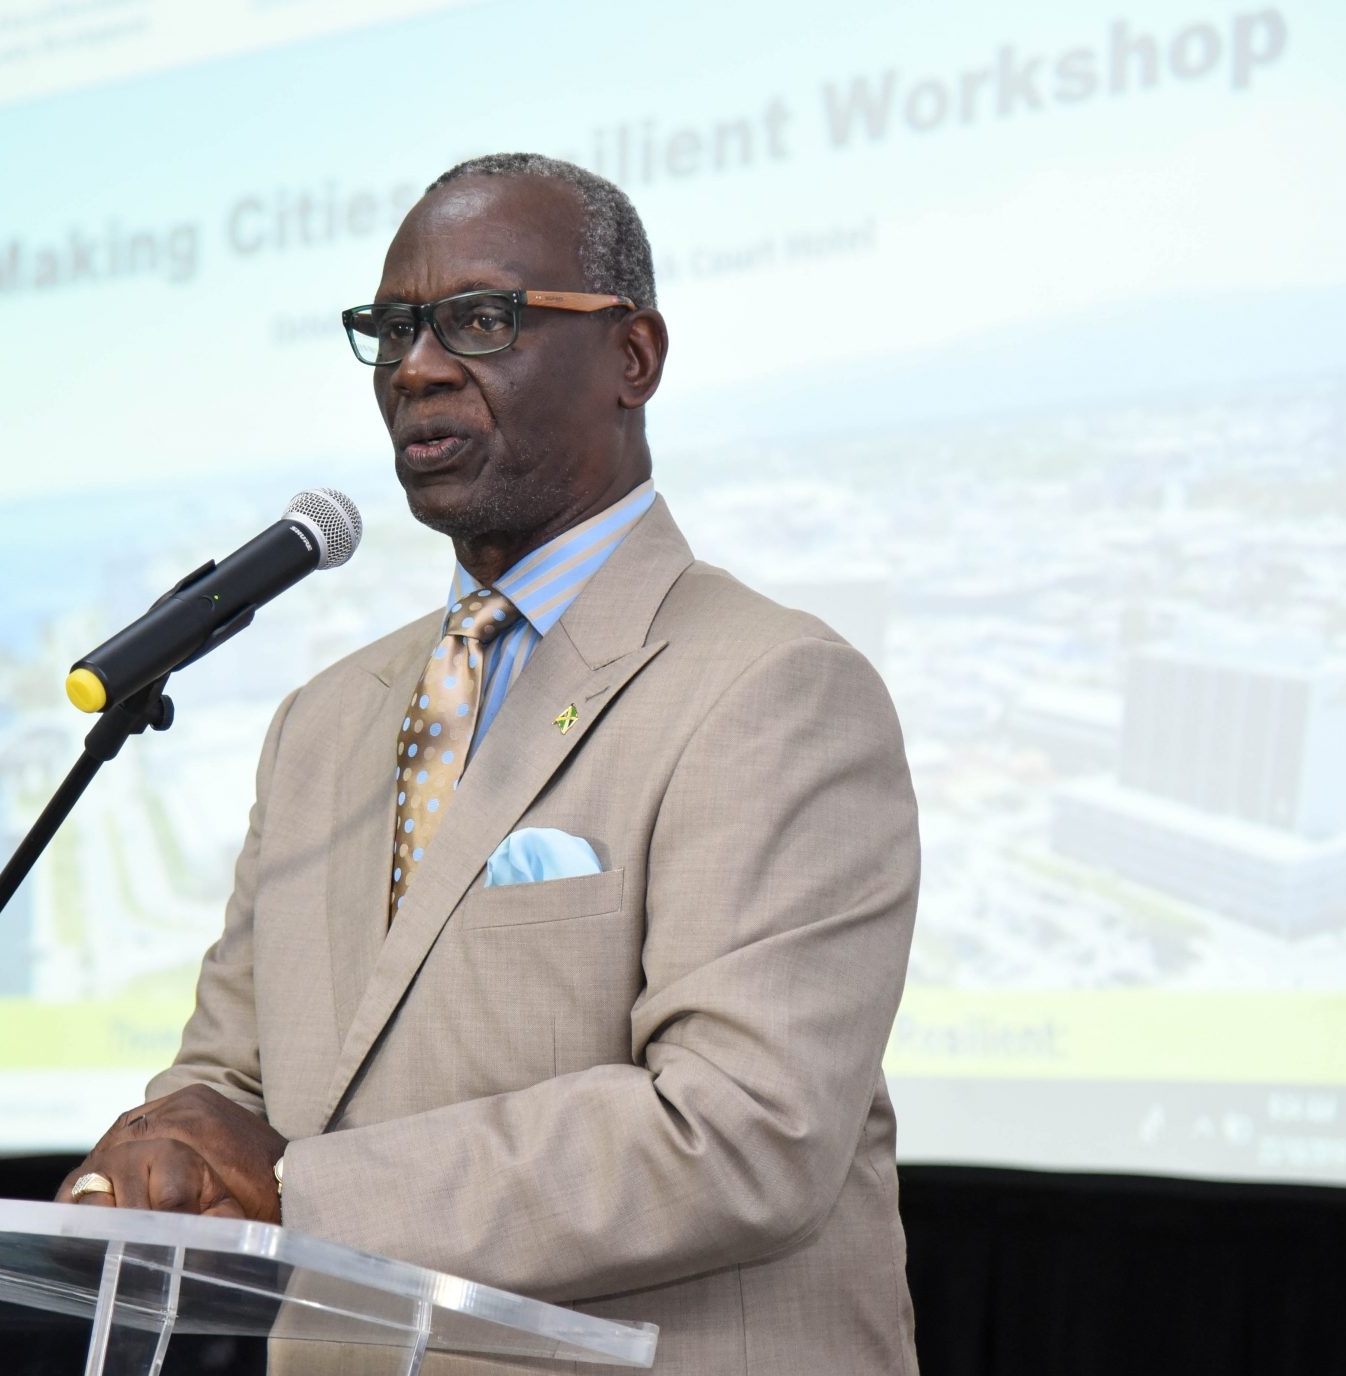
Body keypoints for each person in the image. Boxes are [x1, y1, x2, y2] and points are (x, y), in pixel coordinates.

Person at [58, 152, 921, 1374]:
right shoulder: (322, 719)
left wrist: (302, 1188)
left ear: (634, 357)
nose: (417, 366)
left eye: (479, 319)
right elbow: (233, 1072)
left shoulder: (769, 687)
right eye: (394, 328)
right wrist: (173, 1145)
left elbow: (740, 1129)